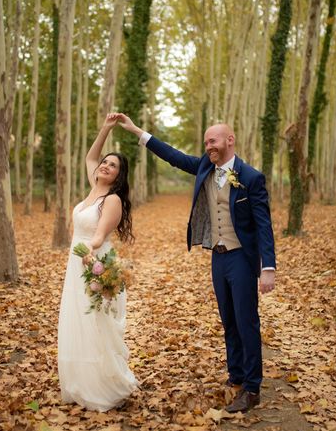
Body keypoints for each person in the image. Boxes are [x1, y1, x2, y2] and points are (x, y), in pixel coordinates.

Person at [117, 114, 275, 413]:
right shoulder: (204, 165)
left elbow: (264, 225)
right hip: (218, 257)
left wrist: (268, 268)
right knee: (228, 320)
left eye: (212, 141)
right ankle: (237, 375)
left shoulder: (251, 177)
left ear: (230, 140)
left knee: (246, 321)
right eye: (205, 142)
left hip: (242, 256)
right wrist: (138, 132)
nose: (208, 146)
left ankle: (252, 389)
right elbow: (173, 156)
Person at [57, 113, 137, 412]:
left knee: (95, 322)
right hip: (75, 261)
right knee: (76, 320)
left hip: (94, 261)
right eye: (105, 162)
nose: (105, 165)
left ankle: (104, 385)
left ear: (119, 175)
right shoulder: (93, 186)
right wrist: (105, 127)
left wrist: (86, 251)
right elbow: (91, 155)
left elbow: (100, 235)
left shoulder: (112, 200)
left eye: (113, 165)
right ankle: (80, 382)